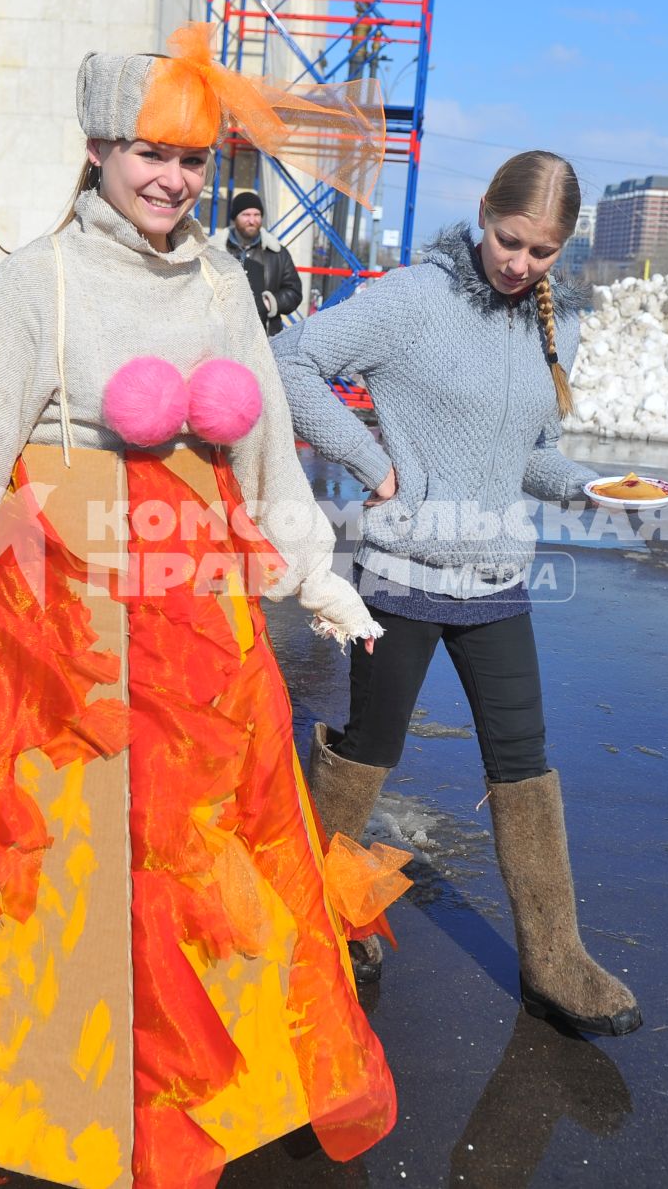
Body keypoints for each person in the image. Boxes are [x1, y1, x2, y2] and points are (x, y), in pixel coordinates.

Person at [0, 23, 403, 1189]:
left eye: (192, 161)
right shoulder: (35, 283)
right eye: (150, 153)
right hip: (58, 634)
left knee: (205, 854)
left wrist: (317, 574)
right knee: (54, 864)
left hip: (199, 624)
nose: (172, 181)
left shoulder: (226, 281)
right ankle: (41, 1097)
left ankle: (220, 1087)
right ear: (97, 148)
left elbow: (270, 459)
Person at [273, 150, 643, 1038]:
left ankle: (556, 957)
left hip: (498, 583)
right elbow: (289, 359)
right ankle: (307, 920)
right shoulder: (415, 298)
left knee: (525, 758)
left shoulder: (549, 324)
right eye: (510, 240)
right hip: (401, 577)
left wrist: (596, 487)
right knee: (367, 748)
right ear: (483, 212)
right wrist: (371, 461)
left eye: (543, 252)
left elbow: (533, 458)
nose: (521, 264)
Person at [218, 188, 303, 334]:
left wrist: (269, 303)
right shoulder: (216, 250)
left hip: (265, 336)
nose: (252, 220)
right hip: (222, 335)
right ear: (234, 217)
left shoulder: (277, 253)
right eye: (246, 215)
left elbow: (294, 292)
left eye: (257, 215)